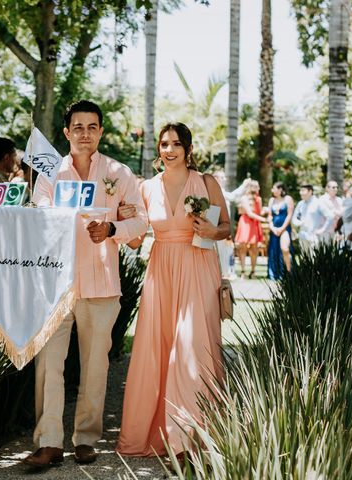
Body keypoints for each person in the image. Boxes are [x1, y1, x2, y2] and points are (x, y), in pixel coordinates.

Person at [24, 100, 147, 469]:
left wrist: (112, 228)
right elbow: (39, 215)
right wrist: (61, 220)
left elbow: (141, 222)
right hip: (56, 284)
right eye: (78, 127)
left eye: (92, 127)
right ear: (66, 132)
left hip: (101, 282)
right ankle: (48, 442)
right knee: (49, 365)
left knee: (95, 366)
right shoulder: (50, 174)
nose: (85, 133)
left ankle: (86, 439)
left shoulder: (118, 172)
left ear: (101, 131)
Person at [116, 122, 229, 460]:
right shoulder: (146, 188)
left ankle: (191, 437)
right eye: (164, 144)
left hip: (199, 267)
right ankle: (158, 433)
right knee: (159, 348)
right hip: (162, 269)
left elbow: (227, 228)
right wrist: (123, 219)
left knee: (192, 347)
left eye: (176, 144)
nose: (169, 149)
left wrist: (212, 228)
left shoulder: (206, 182)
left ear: (188, 149)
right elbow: (136, 239)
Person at [212, 170, 249, 278]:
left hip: (224, 224)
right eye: (222, 177)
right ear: (216, 178)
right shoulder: (216, 190)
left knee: (227, 250)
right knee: (221, 251)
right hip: (218, 225)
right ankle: (222, 273)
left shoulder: (221, 190)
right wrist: (244, 185)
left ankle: (225, 272)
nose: (225, 179)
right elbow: (232, 196)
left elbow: (235, 198)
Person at [234, 180, 266, 278]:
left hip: (255, 224)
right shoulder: (244, 198)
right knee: (242, 247)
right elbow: (250, 213)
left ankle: (253, 271)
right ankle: (243, 271)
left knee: (254, 249)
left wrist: (265, 212)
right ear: (251, 187)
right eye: (257, 187)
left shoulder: (258, 199)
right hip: (245, 223)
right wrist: (265, 219)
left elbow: (259, 212)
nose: (259, 189)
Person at [292, 184, 333, 253]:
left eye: (303, 191)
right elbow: (294, 219)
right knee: (304, 260)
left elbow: (330, 216)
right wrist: (299, 223)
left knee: (313, 260)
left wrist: (322, 230)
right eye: (300, 191)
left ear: (310, 191)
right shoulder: (300, 204)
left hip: (314, 237)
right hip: (302, 236)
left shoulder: (318, 202)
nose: (300, 193)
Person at [267, 181, 294, 280]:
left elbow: (289, 215)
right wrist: (272, 228)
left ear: (280, 189)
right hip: (274, 229)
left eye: (274, 188)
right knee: (274, 250)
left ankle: (288, 272)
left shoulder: (288, 199)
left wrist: (282, 228)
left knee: (285, 249)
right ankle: (275, 274)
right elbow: (270, 215)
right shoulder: (271, 200)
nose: (272, 190)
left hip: (284, 228)